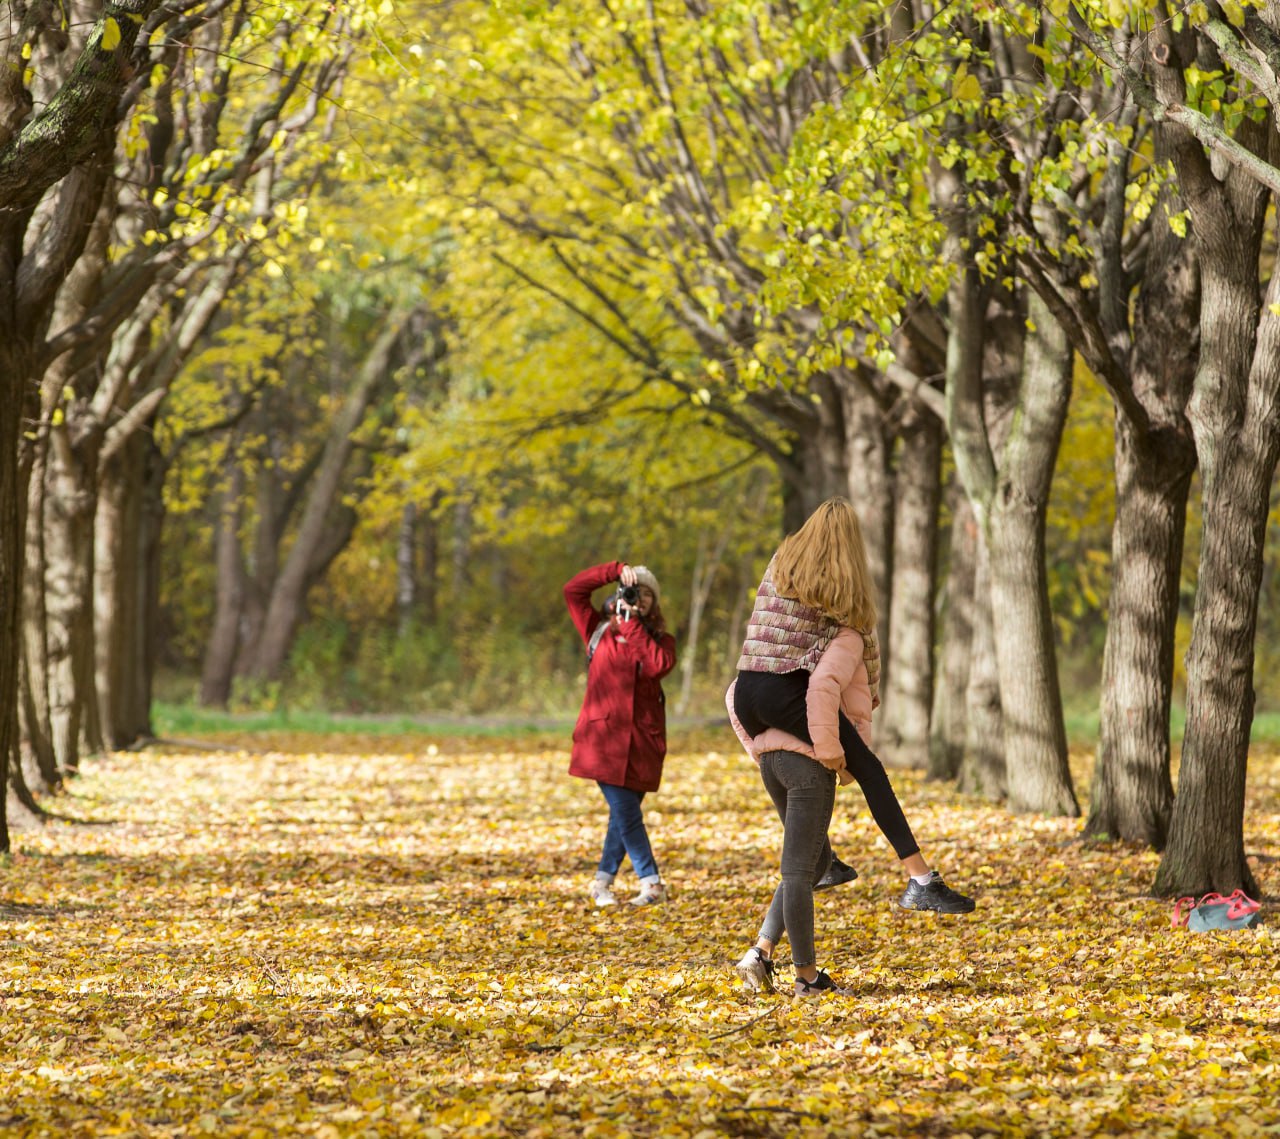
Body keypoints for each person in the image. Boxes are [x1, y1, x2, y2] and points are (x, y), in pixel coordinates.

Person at [728, 498, 974, 997]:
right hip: (784, 693)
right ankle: (920, 881)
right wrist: (830, 748)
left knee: (811, 859)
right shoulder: (840, 592)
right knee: (868, 769)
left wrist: (756, 745)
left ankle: (778, 930)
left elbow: (777, 641)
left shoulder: (783, 566)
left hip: (747, 689)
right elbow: (833, 676)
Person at [564, 560, 676, 907]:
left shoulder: (661, 640)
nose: (638, 598)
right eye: (632, 591)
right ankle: (651, 881)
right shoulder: (598, 629)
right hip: (602, 742)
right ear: (618, 594)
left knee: (623, 817)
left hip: (642, 744)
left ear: (653, 603)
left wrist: (633, 627)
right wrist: (614, 570)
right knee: (627, 813)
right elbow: (573, 590)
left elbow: (658, 666)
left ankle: (601, 884)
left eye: (646, 594)